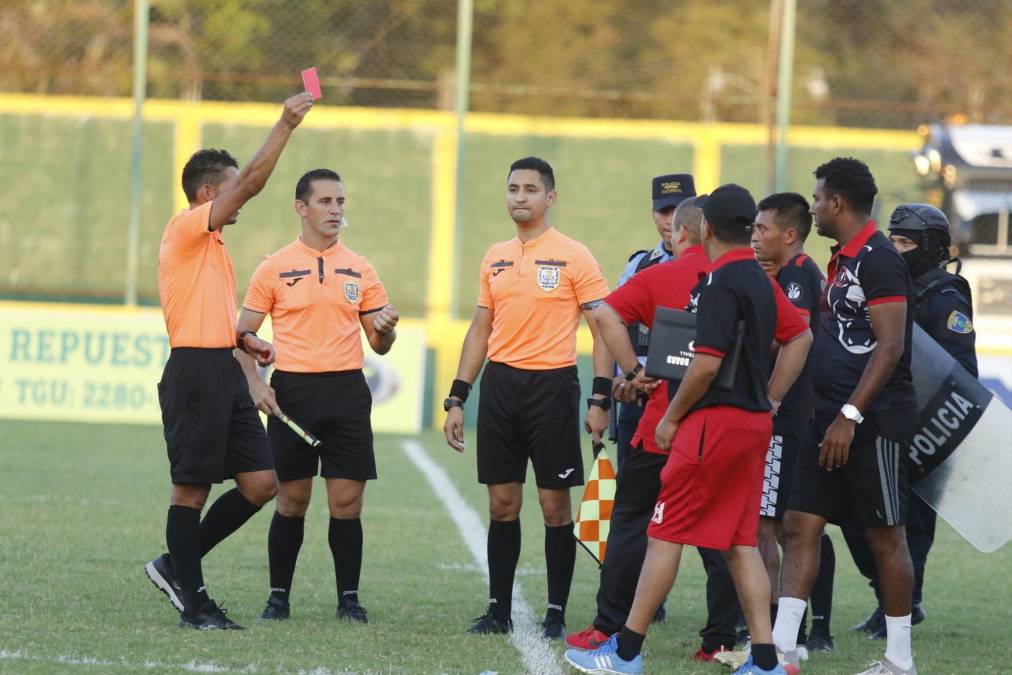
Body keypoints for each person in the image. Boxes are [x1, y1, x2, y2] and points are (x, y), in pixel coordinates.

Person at [566, 183, 813, 675]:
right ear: (749, 229)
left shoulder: (718, 283)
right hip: (753, 426)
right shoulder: (763, 279)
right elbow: (800, 336)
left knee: (663, 534)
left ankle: (626, 654)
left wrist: (672, 417)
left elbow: (705, 364)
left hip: (709, 425)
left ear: (706, 229)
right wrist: (770, 399)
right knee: (741, 544)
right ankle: (766, 661)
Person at [144, 92, 314, 630]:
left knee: (262, 483)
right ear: (209, 194)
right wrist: (285, 124)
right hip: (194, 373)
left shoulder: (214, 245)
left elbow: (203, 311)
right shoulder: (185, 227)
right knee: (190, 491)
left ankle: (174, 564)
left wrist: (244, 341)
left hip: (223, 366)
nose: (243, 196)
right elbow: (255, 182)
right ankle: (195, 606)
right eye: (233, 187)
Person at [442, 157, 613, 639]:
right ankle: (498, 611)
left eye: (531, 189)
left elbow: (602, 329)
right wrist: (457, 397)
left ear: (550, 197)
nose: (520, 197)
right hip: (500, 389)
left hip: (552, 389)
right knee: (502, 504)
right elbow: (481, 329)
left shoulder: (575, 255)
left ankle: (555, 613)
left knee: (554, 505)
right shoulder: (495, 256)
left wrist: (600, 398)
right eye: (513, 188)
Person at [568, 196, 744, 662]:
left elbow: (605, 315)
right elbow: (793, 337)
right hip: (723, 424)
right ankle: (719, 640)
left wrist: (632, 373)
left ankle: (609, 626)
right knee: (718, 533)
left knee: (631, 521)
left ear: (681, 233)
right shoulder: (742, 277)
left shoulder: (659, 274)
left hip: (663, 422)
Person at [772, 158, 920, 675]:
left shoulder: (880, 259)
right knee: (799, 523)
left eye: (817, 198)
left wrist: (850, 415)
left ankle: (899, 660)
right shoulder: (841, 259)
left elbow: (891, 346)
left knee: (885, 535)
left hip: (871, 422)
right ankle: (780, 651)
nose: (812, 207)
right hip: (827, 420)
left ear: (837, 202)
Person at [233, 168, 398, 624]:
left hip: (348, 393)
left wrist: (386, 330)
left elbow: (379, 343)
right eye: (325, 201)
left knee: (347, 503)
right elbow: (240, 337)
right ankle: (277, 599)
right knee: (292, 501)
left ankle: (349, 600)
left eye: (340, 202)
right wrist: (256, 384)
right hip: (293, 393)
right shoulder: (274, 266)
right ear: (301, 208)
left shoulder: (361, 267)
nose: (335, 210)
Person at [844, 203, 977, 639]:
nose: (897, 249)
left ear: (931, 248)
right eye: (894, 240)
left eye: (906, 242)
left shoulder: (946, 298)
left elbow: (960, 372)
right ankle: (887, 596)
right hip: (878, 421)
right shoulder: (883, 285)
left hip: (926, 429)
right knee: (857, 517)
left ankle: (901, 607)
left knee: (911, 526)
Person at [751, 193, 836, 654]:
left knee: (768, 527)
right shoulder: (791, 273)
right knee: (792, 525)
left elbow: (790, 337)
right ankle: (802, 630)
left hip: (785, 419)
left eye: (762, 228)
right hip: (794, 417)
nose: (754, 236)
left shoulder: (798, 273)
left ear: (788, 235)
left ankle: (774, 632)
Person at [610, 174, 695, 469]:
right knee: (631, 489)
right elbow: (612, 322)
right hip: (639, 397)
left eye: (677, 210)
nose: (670, 220)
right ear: (653, 214)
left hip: (690, 399)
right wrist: (627, 374)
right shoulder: (639, 265)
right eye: (663, 211)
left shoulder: (714, 266)